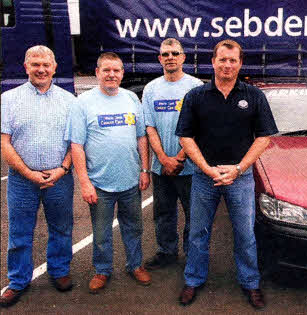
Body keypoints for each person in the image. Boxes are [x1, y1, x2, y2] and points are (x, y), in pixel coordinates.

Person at [175, 40, 278, 309]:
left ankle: (250, 283)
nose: (227, 65)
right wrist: (207, 169)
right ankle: (193, 279)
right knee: (198, 232)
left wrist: (239, 168)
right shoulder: (196, 96)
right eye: (222, 60)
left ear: (240, 64)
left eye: (233, 60)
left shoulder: (254, 96)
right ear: (213, 62)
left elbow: (264, 137)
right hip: (204, 177)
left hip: (240, 177)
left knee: (245, 233)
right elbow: (185, 137)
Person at [65, 52, 151, 294]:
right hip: (99, 183)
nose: (111, 75)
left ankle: (135, 265)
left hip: (130, 181)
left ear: (122, 73)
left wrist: (144, 169)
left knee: (133, 227)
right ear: (97, 73)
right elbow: (76, 145)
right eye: (106, 70)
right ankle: (102, 270)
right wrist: (84, 183)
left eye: (116, 70)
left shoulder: (132, 98)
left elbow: (141, 137)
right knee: (101, 231)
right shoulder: (83, 103)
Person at [0, 45, 75, 307]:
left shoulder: (69, 101)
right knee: (19, 231)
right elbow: (4, 143)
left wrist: (63, 169)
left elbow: (75, 143)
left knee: (61, 228)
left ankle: (59, 271)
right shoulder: (8, 99)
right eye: (35, 65)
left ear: (55, 67)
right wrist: (27, 172)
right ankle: (18, 280)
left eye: (46, 64)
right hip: (22, 179)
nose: (41, 69)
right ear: (26, 67)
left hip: (59, 178)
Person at [142, 38, 203, 269]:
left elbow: (199, 127)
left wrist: (179, 157)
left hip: (189, 167)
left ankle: (191, 255)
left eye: (175, 53)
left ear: (183, 57)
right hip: (161, 167)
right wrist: (163, 159)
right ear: (159, 59)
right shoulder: (151, 88)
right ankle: (166, 252)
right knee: (163, 212)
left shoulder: (195, 87)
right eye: (165, 54)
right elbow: (150, 127)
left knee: (193, 214)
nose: (170, 57)